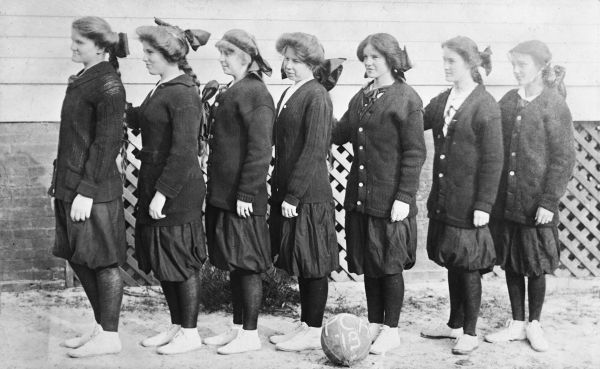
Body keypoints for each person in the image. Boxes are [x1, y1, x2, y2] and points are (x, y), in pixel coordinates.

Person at [332, 33, 426, 355]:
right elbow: (340, 132)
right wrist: (320, 96)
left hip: (390, 201)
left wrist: (405, 196)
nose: (369, 63)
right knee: (371, 264)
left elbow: (415, 153)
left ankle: (392, 328)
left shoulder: (406, 98)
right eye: (365, 58)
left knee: (389, 264)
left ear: (391, 60)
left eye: (375, 57)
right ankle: (374, 322)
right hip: (361, 197)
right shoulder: (362, 96)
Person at [485, 40, 575, 352]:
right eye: (514, 65)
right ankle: (516, 322)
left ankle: (534, 324)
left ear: (539, 67)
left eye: (522, 65)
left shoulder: (554, 104)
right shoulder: (509, 100)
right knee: (511, 260)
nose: (516, 71)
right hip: (507, 201)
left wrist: (549, 200)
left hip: (536, 204)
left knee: (534, 264)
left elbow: (563, 158)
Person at [127, 20, 210, 355]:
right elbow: (142, 120)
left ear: (168, 55)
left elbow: (183, 151)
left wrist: (163, 192)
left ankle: (190, 332)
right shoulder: (161, 88)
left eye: (150, 53)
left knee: (181, 261)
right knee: (165, 260)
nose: (144, 58)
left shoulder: (183, 93)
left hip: (177, 191)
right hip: (157, 186)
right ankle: (177, 325)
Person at [49, 16, 128, 358]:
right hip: (69, 184)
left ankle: (110, 334)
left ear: (99, 47)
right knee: (78, 258)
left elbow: (107, 141)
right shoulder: (82, 79)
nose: (73, 47)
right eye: (73, 41)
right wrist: (63, 185)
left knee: (103, 261)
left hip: (92, 189)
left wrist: (87, 190)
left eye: (79, 43)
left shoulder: (108, 84)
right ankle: (100, 326)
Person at [419, 36, 503, 355]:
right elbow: (418, 120)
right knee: (452, 261)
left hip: (470, 204)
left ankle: (470, 331)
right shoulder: (443, 100)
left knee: (467, 264)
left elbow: (494, 160)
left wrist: (484, 204)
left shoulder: (485, 105)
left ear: (470, 63)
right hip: (445, 199)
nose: (445, 66)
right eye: (443, 60)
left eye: (451, 60)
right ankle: (453, 324)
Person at [268, 32, 343, 351]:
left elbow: (314, 149)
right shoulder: (289, 92)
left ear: (312, 65)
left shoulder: (317, 95)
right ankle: (304, 323)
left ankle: (314, 329)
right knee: (300, 259)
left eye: (295, 61)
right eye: (285, 59)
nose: (287, 66)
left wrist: (294, 194)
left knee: (313, 263)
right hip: (288, 190)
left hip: (308, 195)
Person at [202, 29, 275, 355]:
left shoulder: (255, 93)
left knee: (246, 265)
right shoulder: (234, 89)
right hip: (224, 195)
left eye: (227, 54)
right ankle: (236, 328)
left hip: (242, 199)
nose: (222, 59)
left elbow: (261, 150)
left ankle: (250, 333)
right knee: (235, 262)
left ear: (245, 58)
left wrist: (246, 192)